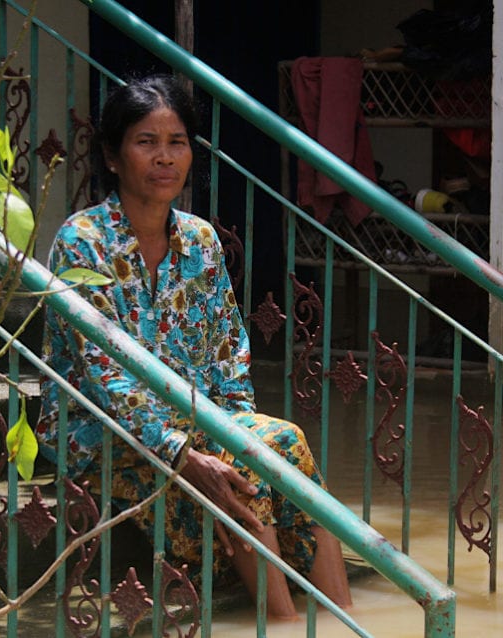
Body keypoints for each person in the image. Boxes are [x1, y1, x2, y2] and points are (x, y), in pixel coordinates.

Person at [37, 74, 351, 619]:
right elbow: (104, 377)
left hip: (197, 422)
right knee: (245, 462)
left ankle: (350, 618)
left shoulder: (201, 240)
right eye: (146, 142)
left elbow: (229, 351)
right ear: (112, 156)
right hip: (104, 437)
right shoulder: (82, 242)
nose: (165, 158)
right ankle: (283, 622)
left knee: (281, 440)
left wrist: (233, 431)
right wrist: (183, 451)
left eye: (176, 142)